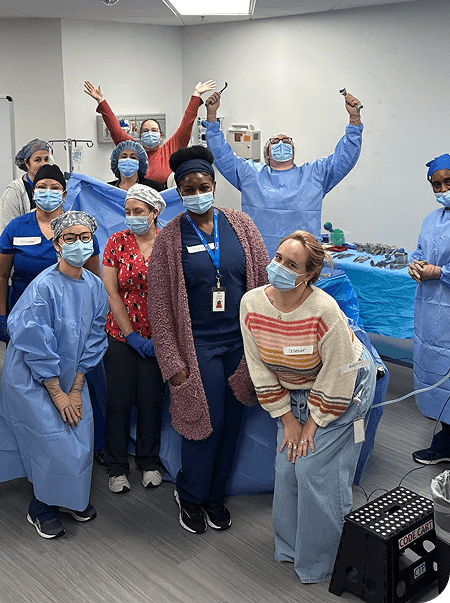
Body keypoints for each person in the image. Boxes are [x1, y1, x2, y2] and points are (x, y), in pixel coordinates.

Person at [240, 230, 376, 584]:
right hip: (295, 388)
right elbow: (259, 368)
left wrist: (311, 425)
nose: (279, 267)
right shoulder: (251, 304)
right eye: (278, 258)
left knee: (314, 471)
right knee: (287, 467)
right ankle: (291, 547)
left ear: (308, 276)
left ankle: (322, 560)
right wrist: (288, 421)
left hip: (344, 388)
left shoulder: (324, 310)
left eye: (291, 264)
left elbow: (337, 376)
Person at [147, 146, 269, 534]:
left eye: (203, 185)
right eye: (188, 187)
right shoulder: (169, 238)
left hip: (239, 344)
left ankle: (216, 496)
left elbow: (263, 285)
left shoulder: (241, 225)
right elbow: (161, 308)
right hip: (196, 345)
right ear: (179, 192)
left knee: (234, 421)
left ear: (214, 186)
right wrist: (173, 364)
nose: (197, 191)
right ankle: (192, 495)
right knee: (204, 423)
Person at [0, 211, 108, 539]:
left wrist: (76, 385)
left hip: (72, 379)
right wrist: (56, 391)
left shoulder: (96, 288)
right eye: (70, 238)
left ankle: (71, 497)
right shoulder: (44, 287)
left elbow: (96, 338)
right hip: (33, 378)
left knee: (80, 438)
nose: (79, 244)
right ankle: (42, 506)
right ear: (56, 244)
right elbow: (33, 342)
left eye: (85, 238)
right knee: (50, 441)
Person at [203, 90, 363, 257]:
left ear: (293, 153)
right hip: (261, 258)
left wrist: (354, 120)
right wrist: (212, 116)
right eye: (275, 141)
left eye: (286, 141)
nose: (281, 143)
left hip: (304, 260)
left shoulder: (315, 174)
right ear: (268, 153)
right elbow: (222, 156)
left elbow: (344, 159)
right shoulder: (250, 174)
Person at [102, 184, 167, 493]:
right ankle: (116, 466)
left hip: (158, 335)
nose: (132, 217)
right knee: (119, 401)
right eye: (128, 212)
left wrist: (162, 336)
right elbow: (112, 291)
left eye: (138, 212)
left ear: (154, 213)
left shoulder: (169, 241)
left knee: (151, 401)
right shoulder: (116, 242)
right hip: (120, 333)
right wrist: (130, 335)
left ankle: (149, 461)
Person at [0, 164, 100, 344]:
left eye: (55, 188)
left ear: (64, 195)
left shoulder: (80, 229)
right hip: (24, 315)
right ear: (33, 193)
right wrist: (1, 317)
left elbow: (94, 280)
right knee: (27, 368)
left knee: (67, 368)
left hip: (70, 316)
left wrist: (94, 318)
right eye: (41, 187)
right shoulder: (17, 227)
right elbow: (1, 276)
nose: (48, 192)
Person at [84, 79, 216, 187]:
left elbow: (186, 123)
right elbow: (114, 128)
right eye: (145, 131)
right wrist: (101, 101)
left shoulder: (170, 149)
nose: (150, 133)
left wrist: (196, 95)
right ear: (140, 136)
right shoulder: (133, 151)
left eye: (154, 130)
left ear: (160, 136)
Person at [409, 154, 450, 465]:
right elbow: (421, 250)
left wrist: (439, 273)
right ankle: (445, 440)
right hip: (432, 314)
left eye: (448, 182)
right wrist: (416, 264)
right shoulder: (431, 219)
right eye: (437, 185)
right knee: (436, 373)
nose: (443, 189)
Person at [0, 138, 53, 235]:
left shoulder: (54, 188)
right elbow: (4, 231)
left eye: (46, 159)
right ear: (27, 163)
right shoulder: (14, 192)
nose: (43, 164)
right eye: (37, 160)